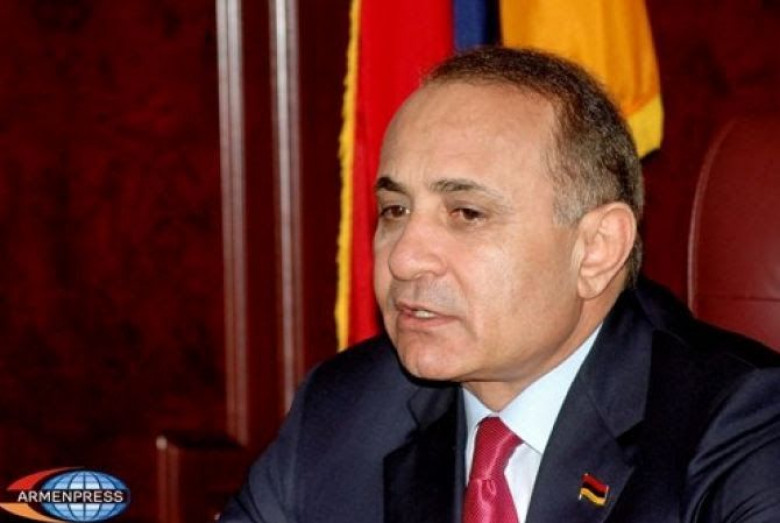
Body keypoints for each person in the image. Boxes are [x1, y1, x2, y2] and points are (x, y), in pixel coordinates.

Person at [218, 47, 780, 523]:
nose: (405, 258)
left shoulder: (743, 425)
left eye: (466, 213)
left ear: (596, 248)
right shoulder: (345, 408)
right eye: (394, 210)